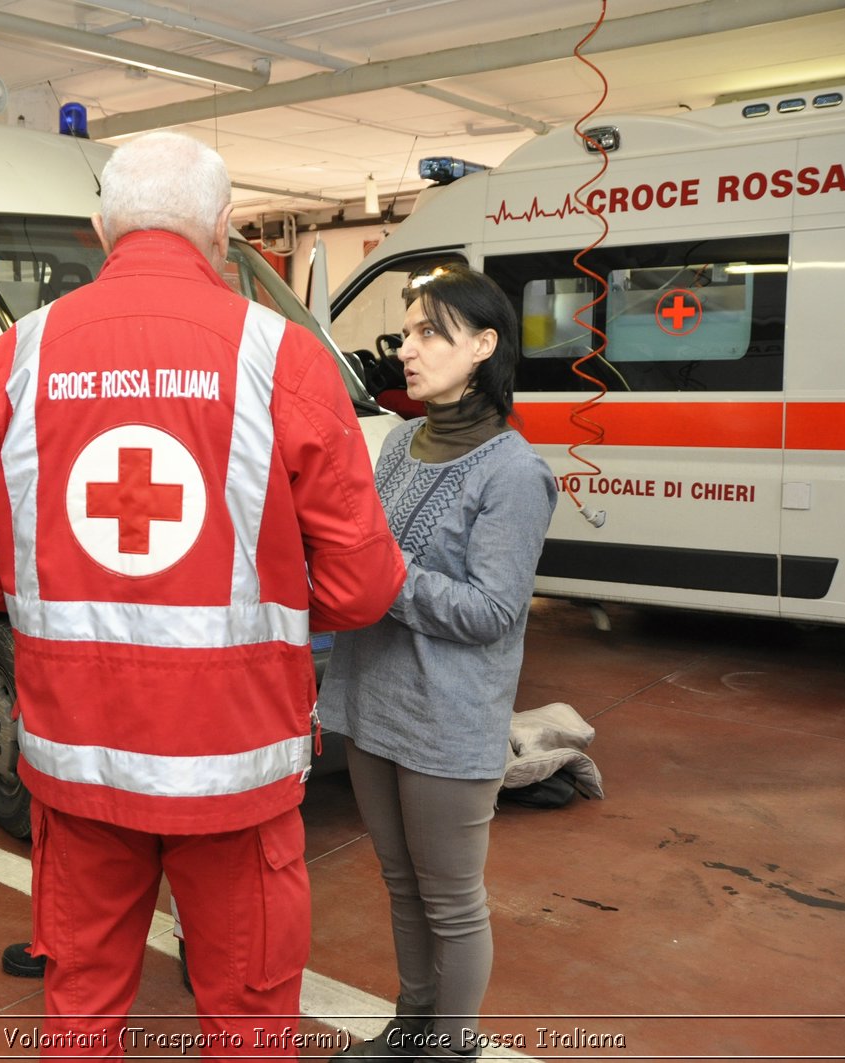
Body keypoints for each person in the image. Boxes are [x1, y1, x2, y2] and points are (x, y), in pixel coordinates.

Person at [0, 131, 405, 1058]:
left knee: (81, 1007)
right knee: (250, 1015)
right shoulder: (284, 358)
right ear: (224, 230)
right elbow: (361, 582)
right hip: (234, 766)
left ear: (102, 230)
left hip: (75, 759)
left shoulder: (16, 359)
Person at [316, 264, 558, 1062]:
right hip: (372, 697)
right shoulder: (399, 441)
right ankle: (411, 1023)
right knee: (400, 882)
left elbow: (493, 610)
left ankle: (452, 1047)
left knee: (451, 899)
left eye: (430, 333)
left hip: (448, 714)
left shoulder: (514, 471)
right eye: (409, 329)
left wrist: (382, 578)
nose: (408, 348)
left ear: (484, 346)